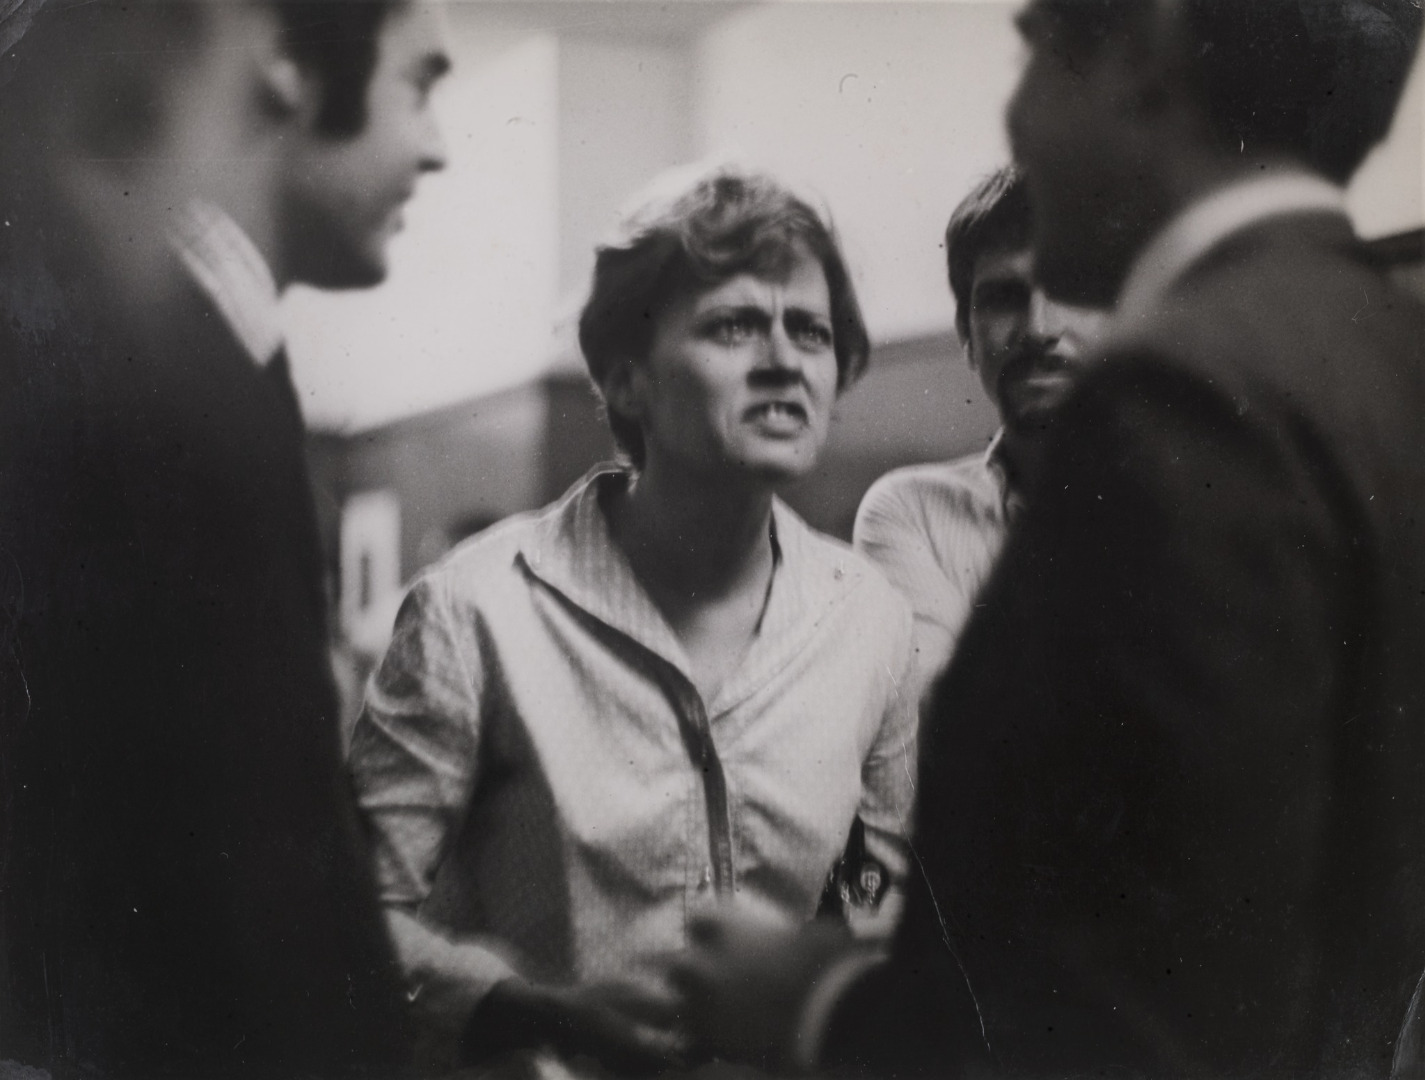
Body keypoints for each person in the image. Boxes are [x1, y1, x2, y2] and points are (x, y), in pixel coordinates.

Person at [673, 1, 1425, 1076]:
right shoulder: (1391, 355)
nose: (1015, 116)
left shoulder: (1178, 395)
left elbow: (1144, 992)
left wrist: (816, 1008)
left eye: (1033, 49)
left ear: (1143, 59)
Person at [345, 165, 917, 1074]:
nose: (783, 359)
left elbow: (885, 926)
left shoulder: (870, 622)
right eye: (733, 325)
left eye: (810, 331)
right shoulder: (477, 611)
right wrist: (534, 1012)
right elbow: (347, 924)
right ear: (628, 381)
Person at [0, 2, 449, 1075]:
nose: (436, 147)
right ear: (285, 58)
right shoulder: (128, 369)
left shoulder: (220, 354)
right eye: (420, 84)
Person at [854, 165, 1108, 708]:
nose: (1039, 328)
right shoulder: (912, 514)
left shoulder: (1214, 500)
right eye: (1003, 298)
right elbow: (943, 725)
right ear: (966, 336)